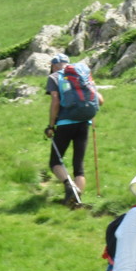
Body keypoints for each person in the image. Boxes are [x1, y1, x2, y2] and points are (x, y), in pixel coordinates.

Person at [44, 54, 103, 208]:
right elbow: (100, 100)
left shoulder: (54, 77)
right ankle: (76, 202)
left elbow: (55, 100)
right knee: (79, 165)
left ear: (54, 66)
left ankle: (69, 186)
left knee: (55, 162)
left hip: (65, 123)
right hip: (84, 123)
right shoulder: (82, 75)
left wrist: (51, 126)